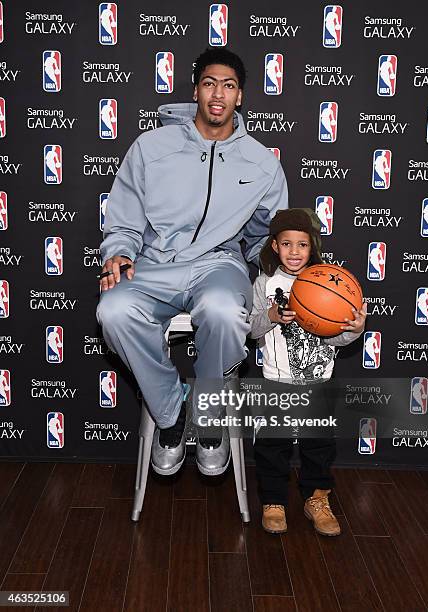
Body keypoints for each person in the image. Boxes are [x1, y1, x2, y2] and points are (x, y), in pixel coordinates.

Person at [97, 48, 288, 477]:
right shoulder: (152, 146)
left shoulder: (262, 163)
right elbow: (124, 217)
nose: (218, 94)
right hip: (154, 262)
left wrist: (272, 278)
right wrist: (120, 253)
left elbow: (267, 237)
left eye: (229, 85)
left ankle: (208, 414)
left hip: (218, 265)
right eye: (209, 84)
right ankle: (172, 413)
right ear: (196, 90)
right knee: (112, 309)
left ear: (240, 96)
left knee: (223, 309)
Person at [249, 208, 366, 535]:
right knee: (274, 445)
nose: (295, 252)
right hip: (277, 381)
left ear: (312, 246)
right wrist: (271, 315)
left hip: (320, 380)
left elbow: (341, 336)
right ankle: (274, 500)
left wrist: (357, 328)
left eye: (302, 245)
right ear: (275, 246)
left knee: (319, 445)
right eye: (287, 244)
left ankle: (317, 498)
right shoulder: (264, 283)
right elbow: (251, 331)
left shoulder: (331, 282)